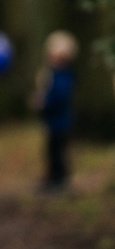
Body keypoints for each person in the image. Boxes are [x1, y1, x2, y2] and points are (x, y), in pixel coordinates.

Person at [32, 30, 78, 192]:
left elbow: (59, 96)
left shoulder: (63, 75)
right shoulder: (52, 74)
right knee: (51, 151)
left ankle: (60, 180)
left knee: (58, 152)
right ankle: (52, 178)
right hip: (53, 122)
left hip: (61, 122)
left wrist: (45, 103)